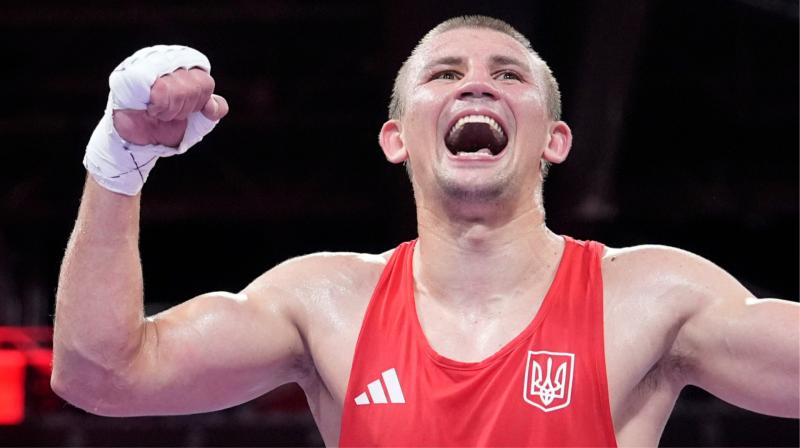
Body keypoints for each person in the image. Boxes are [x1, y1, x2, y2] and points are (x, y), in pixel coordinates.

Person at [51, 15, 798, 447]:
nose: (476, 83)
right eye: (443, 74)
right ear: (396, 138)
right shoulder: (325, 304)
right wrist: (122, 156)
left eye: (509, 75)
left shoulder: (652, 297)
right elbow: (100, 376)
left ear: (556, 139)